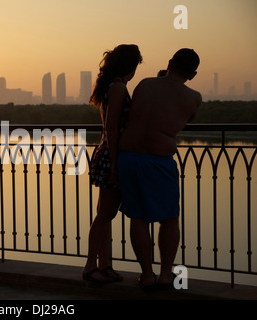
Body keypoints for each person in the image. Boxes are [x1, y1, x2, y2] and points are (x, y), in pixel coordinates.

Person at [117, 48, 202, 290]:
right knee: (169, 218)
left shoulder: (144, 84)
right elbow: (188, 119)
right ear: (193, 74)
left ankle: (146, 275)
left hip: (129, 157)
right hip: (158, 160)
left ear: (169, 63)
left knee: (138, 217)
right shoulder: (193, 96)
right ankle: (165, 275)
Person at [83, 44, 143, 283]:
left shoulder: (111, 86)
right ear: (131, 66)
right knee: (105, 215)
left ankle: (104, 264)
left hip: (106, 153)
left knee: (104, 214)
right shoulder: (118, 88)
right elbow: (112, 127)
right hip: (112, 156)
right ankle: (90, 266)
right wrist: (116, 164)